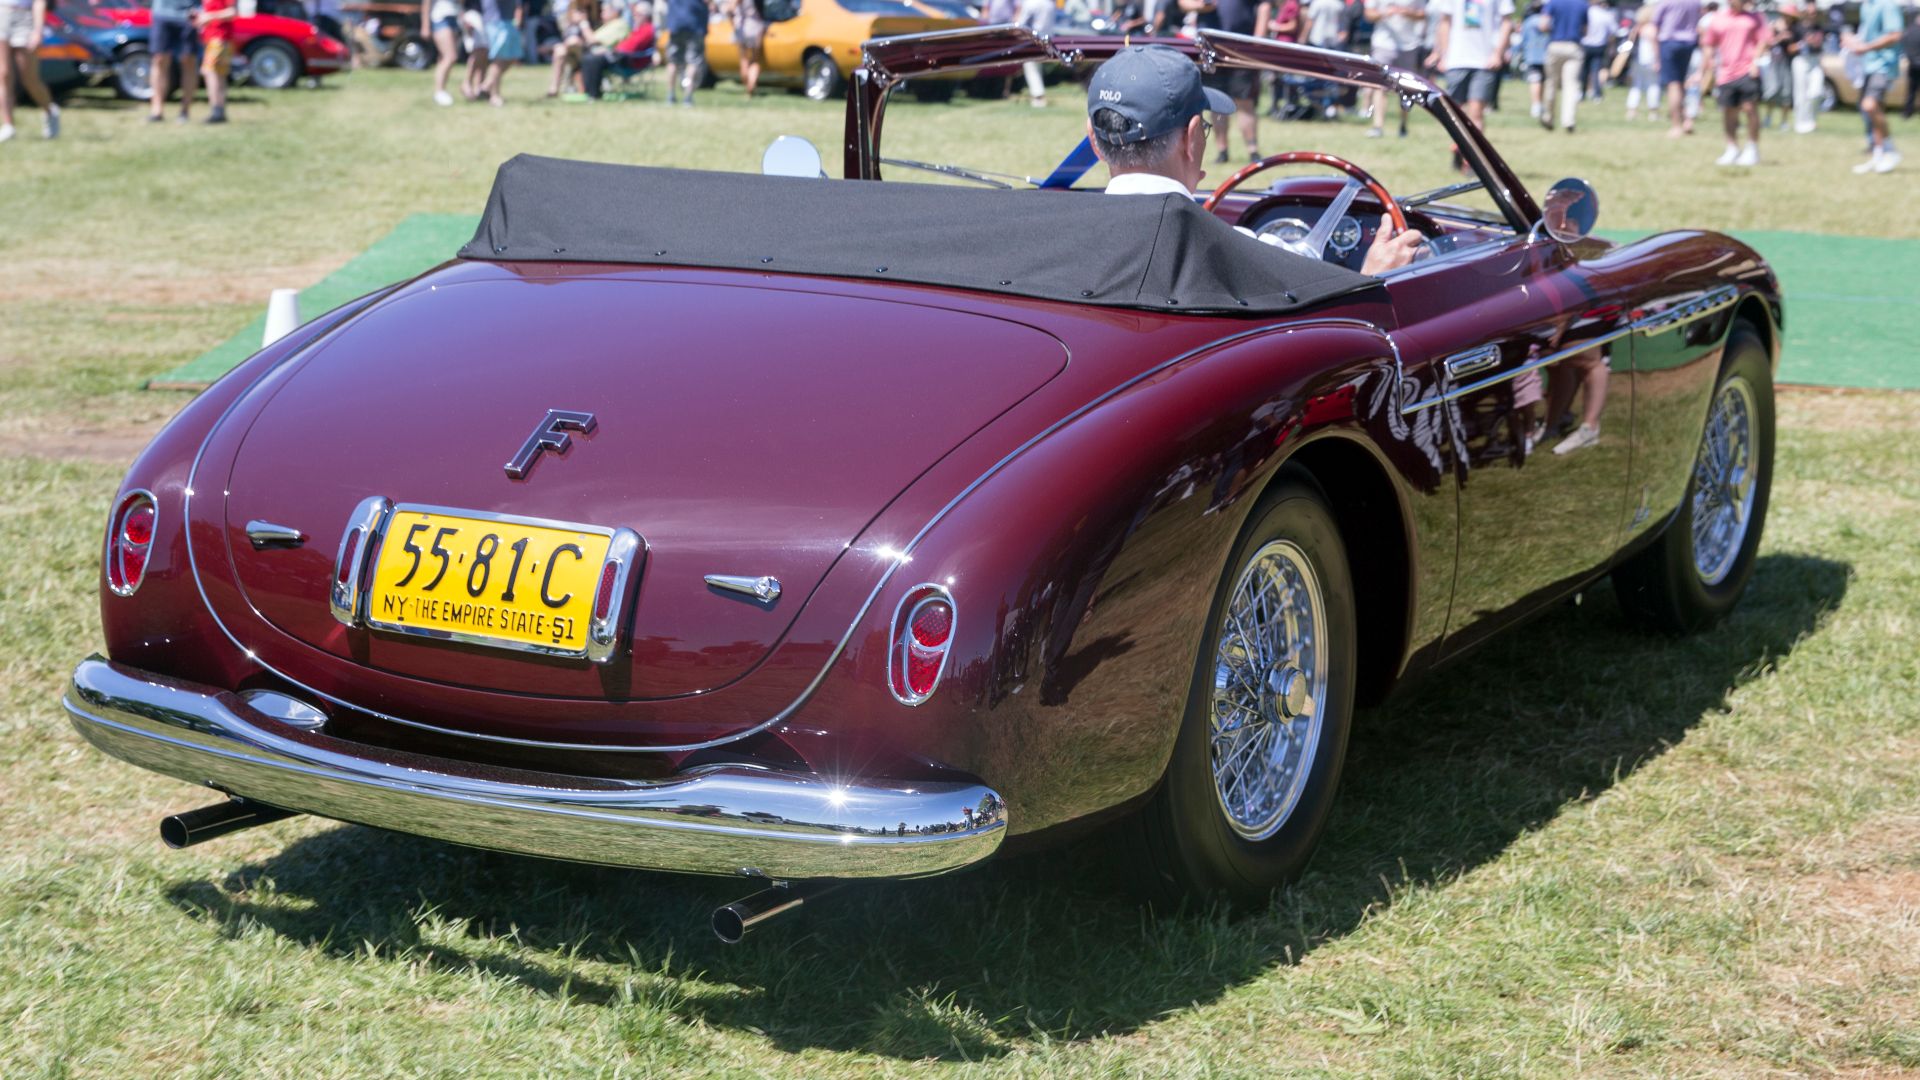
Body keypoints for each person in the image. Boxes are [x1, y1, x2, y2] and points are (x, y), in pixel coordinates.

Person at [1084, 44, 1423, 276]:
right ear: (1190, 139)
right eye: (1203, 126)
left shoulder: (1051, 243)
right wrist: (1372, 281)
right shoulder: (1243, 258)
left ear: (1093, 142)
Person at [1183, 0, 1265, 161]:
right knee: (1217, 103)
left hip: (1243, 49)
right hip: (1210, 48)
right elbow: (1184, 3)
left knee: (1245, 101)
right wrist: (1201, 5)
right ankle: (1222, 151)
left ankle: (1253, 150)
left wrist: (1259, 39)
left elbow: (1264, 6)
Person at [1428, 0, 1514, 133]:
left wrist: (1498, 53)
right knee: (1456, 113)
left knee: (1476, 113)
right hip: (1456, 60)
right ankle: (1460, 148)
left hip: (1484, 61)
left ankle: (1471, 152)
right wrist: (1443, 55)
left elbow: (1507, 22)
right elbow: (1444, 22)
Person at [1698, 0, 1766, 166]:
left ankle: (1752, 148)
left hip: (1747, 70)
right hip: (1726, 73)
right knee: (1729, 111)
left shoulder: (1755, 18)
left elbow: (1763, 41)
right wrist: (1709, 62)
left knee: (1750, 109)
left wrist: (1755, 61)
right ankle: (1732, 148)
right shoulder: (1718, 19)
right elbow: (1709, 43)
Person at [1846, 0, 1902, 172]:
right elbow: (1867, 35)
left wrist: (1867, 47)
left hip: (1884, 66)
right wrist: (1852, 41)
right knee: (1873, 111)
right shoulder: (1866, 6)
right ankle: (1878, 156)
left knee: (1869, 106)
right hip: (1868, 64)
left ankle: (1891, 150)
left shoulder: (1887, 5)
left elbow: (1895, 35)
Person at [1364, 0, 1427, 137]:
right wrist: (1384, 13)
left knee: (1406, 89)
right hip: (1383, 45)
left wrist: (1409, 13)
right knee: (1380, 86)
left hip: (1409, 46)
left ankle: (1403, 125)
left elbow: (1423, 14)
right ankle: (1378, 126)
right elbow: (1368, 14)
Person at [0, 0, 58, 142]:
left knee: (29, 78)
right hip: (2, 13)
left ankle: (49, 111)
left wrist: (37, 31)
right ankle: (8, 125)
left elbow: (39, 2)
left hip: (25, 17)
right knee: (4, 74)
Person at [1651, 0, 1701, 135]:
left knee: (1673, 85)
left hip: (1669, 43)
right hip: (1689, 44)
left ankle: (1676, 125)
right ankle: (1687, 120)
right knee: (1683, 84)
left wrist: (1656, 57)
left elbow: (1654, 27)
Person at [148, 0, 201, 122]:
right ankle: (157, 110)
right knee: (159, 60)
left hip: (188, 14)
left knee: (188, 61)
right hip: (162, 14)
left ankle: (185, 111)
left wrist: (201, 9)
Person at [1778, 2, 1824, 132]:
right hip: (1800, 60)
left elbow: (1821, 47)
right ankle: (1801, 123)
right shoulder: (1796, 28)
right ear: (1804, 13)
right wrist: (1803, 43)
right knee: (1801, 95)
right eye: (1810, 13)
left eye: (1814, 13)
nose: (1812, 15)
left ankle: (1811, 120)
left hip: (1815, 61)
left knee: (1817, 92)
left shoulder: (1818, 27)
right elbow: (1789, 49)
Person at [1540, 0, 1586, 131]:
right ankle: (1568, 121)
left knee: (1551, 83)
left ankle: (1548, 116)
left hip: (1555, 45)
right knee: (1571, 84)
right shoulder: (1582, 4)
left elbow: (1543, 25)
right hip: (1574, 47)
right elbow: (1585, 29)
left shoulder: (1553, 3)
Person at [475, 0, 524, 105]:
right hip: (496, 22)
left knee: (512, 57)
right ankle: (494, 95)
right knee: (500, 59)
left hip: (507, 22)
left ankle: (486, 85)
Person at [196, 0, 236, 123]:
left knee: (209, 71)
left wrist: (210, 16)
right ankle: (219, 110)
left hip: (220, 38)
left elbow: (232, 12)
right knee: (218, 73)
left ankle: (217, 110)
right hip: (211, 38)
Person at [547, 0, 594, 95]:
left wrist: (583, 23)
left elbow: (593, 39)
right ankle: (554, 88)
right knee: (560, 50)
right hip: (570, 48)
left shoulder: (597, 11)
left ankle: (571, 84)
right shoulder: (569, 11)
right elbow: (566, 36)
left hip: (590, 49)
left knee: (573, 42)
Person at [664, 0, 707, 105]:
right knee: (692, 62)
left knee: (673, 61)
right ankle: (687, 97)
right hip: (694, 24)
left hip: (675, 24)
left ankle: (671, 95)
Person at [1619, 5, 1658, 119]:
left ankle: (1631, 110)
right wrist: (1658, 60)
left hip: (1637, 60)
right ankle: (1653, 111)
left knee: (1636, 85)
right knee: (1653, 85)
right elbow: (1654, 45)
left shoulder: (1636, 28)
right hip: (1650, 60)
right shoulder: (1652, 28)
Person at [422, 0, 462, 105]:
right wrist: (425, 25)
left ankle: (442, 90)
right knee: (451, 57)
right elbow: (426, 3)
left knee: (443, 58)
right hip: (440, 18)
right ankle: (439, 92)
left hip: (453, 17)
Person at [1015, 0, 1055, 107]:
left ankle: (1038, 96)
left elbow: (1021, 24)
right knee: (1036, 67)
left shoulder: (1031, 3)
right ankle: (1038, 94)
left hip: (1033, 39)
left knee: (1030, 66)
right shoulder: (1049, 3)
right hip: (1048, 39)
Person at [727, 0, 764, 97]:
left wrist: (731, 20)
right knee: (755, 60)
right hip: (756, 26)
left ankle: (748, 85)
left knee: (744, 59)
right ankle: (751, 87)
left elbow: (730, 9)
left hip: (742, 28)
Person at [1519, 1, 1549, 119]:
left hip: (1531, 56)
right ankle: (1540, 104)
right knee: (1543, 82)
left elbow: (1523, 40)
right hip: (1546, 56)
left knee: (1534, 81)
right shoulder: (1546, 21)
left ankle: (1536, 105)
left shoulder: (1527, 22)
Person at [1579, 0, 1613, 99]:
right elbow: (1613, 31)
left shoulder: (1586, 12)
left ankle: (1582, 92)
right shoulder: (1606, 14)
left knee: (1584, 70)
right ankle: (1597, 93)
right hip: (1600, 46)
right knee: (1596, 70)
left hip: (1585, 44)